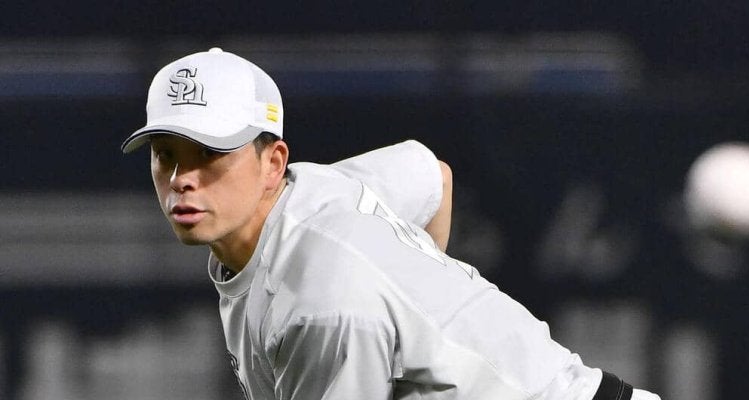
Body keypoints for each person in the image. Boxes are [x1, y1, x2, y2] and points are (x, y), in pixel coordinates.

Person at [121, 48, 661, 400]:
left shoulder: (321, 302)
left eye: (210, 153)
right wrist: (421, 301)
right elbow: (432, 175)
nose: (182, 179)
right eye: (166, 154)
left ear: (273, 162)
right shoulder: (319, 189)